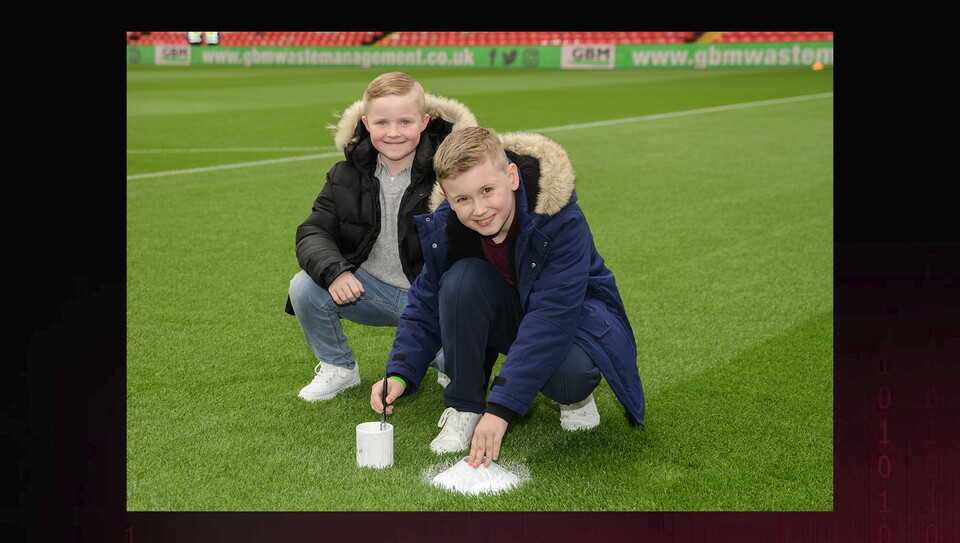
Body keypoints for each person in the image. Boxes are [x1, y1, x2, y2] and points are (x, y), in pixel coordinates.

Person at [370, 126, 645, 468]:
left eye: (487, 190)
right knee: (460, 281)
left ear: (512, 177)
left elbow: (551, 317)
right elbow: (425, 304)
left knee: (569, 378)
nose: (479, 209)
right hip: (514, 315)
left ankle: (576, 400)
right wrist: (399, 372)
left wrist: (501, 408)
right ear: (448, 199)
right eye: (463, 199)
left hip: (575, 320)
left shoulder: (559, 219)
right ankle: (465, 406)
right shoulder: (449, 229)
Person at [287, 72, 477, 401]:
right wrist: (335, 271)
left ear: (424, 122)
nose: (393, 133)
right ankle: (338, 367)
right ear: (366, 123)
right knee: (304, 287)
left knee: (459, 366)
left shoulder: (450, 175)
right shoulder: (345, 174)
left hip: (431, 300)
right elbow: (314, 230)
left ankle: (442, 359)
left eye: (405, 122)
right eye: (382, 122)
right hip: (369, 292)